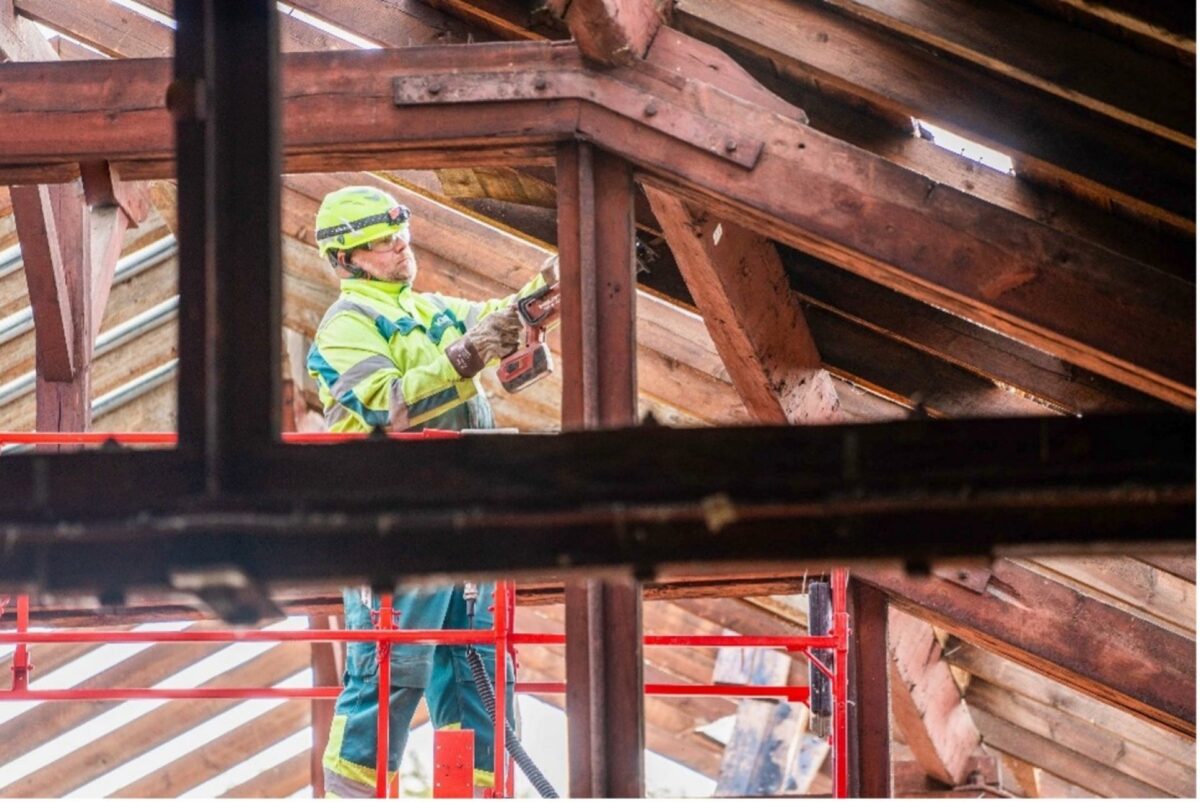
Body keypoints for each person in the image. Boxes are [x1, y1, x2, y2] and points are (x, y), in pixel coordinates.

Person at [307, 185, 554, 797]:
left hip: (465, 520)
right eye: (382, 243)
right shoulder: (345, 327)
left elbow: (497, 316)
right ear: (345, 260)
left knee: (481, 674)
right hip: (391, 518)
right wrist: (470, 354)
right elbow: (392, 406)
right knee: (390, 668)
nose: (400, 246)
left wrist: (543, 294)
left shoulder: (428, 310)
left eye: (400, 235)